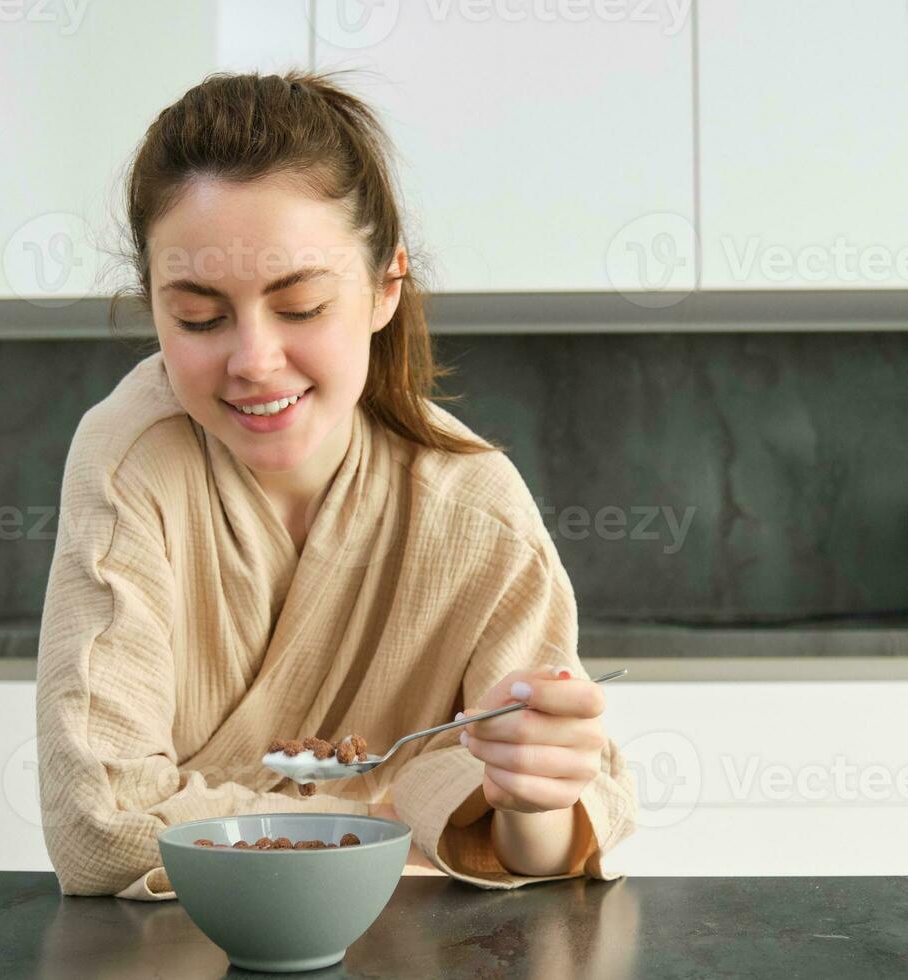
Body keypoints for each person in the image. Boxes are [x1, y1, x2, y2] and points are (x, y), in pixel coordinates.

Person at [33, 71, 637, 899]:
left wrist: (531, 796)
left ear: (387, 286)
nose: (252, 361)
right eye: (200, 318)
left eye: (303, 304)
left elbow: (538, 844)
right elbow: (97, 826)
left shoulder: (474, 506)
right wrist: (408, 809)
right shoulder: (132, 460)